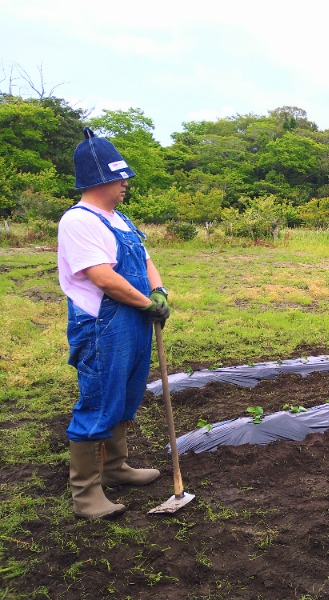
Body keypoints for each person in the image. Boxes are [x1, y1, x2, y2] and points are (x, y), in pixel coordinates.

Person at [57, 127, 171, 519]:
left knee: (126, 394)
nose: (126, 183)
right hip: (103, 325)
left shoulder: (119, 219)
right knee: (99, 399)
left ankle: (116, 467)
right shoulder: (79, 221)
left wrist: (161, 293)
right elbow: (101, 276)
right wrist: (147, 304)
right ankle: (86, 492)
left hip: (135, 318)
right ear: (99, 179)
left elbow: (146, 260)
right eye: (120, 176)